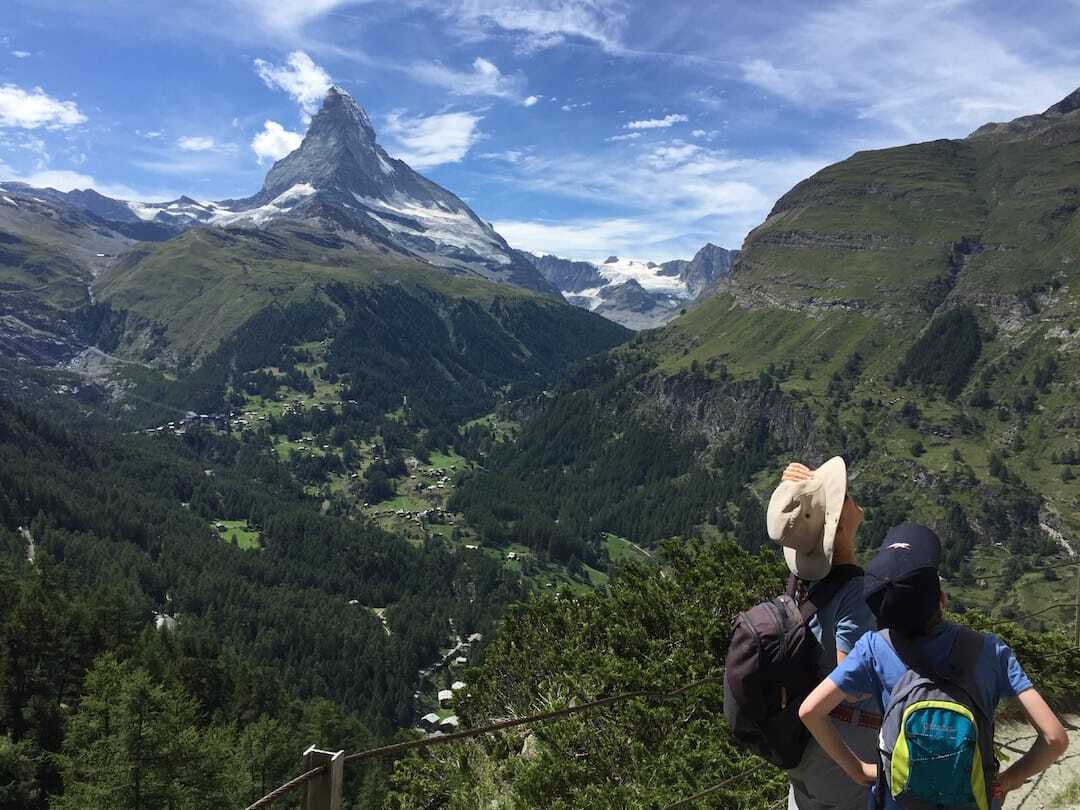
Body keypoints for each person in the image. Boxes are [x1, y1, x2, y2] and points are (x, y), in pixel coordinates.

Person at [799, 522, 1069, 809]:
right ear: (943, 599)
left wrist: (858, 770)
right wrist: (1011, 778)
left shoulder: (872, 649)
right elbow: (1055, 738)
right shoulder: (990, 650)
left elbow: (810, 711)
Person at [768, 457, 879, 810]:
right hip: (843, 754)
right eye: (840, 496)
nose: (848, 493)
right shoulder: (855, 594)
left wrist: (804, 487)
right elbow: (854, 689)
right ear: (839, 528)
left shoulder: (805, 583)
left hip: (806, 751)